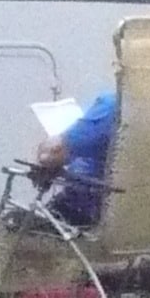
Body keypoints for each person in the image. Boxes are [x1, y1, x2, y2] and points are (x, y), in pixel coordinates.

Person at [30, 90, 117, 230]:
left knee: (21, 223)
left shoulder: (113, 106)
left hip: (90, 206)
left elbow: (52, 153)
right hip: (147, 206)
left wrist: (41, 159)